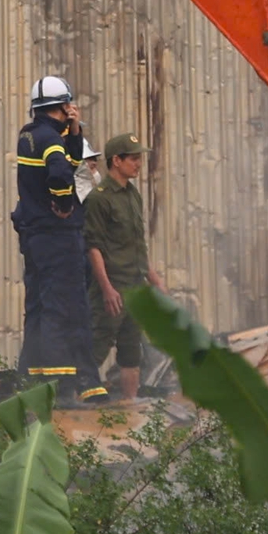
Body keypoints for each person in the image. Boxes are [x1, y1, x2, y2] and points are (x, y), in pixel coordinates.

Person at [12, 76, 108, 404]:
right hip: (57, 236)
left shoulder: (30, 134)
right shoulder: (51, 141)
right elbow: (61, 171)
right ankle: (69, 383)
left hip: (35, 236)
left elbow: (72, 157)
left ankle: (34, 376)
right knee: (68, 307)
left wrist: (76, 130)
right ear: (63, 106)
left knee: (39, 307)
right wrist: (64, 204)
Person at [84, 133, 165, 403]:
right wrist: (107, 288)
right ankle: (69, 402)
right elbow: (93, 246)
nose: (139, 164)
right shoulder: (99, 198)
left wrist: (154, 279)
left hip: (135, 285)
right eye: (133, 158)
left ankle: (131, 405)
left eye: (139, 158)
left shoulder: (132, 195)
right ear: (116, 161)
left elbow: (136, 243)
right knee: (97, 345)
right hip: (113, 286)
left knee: (132, 350)